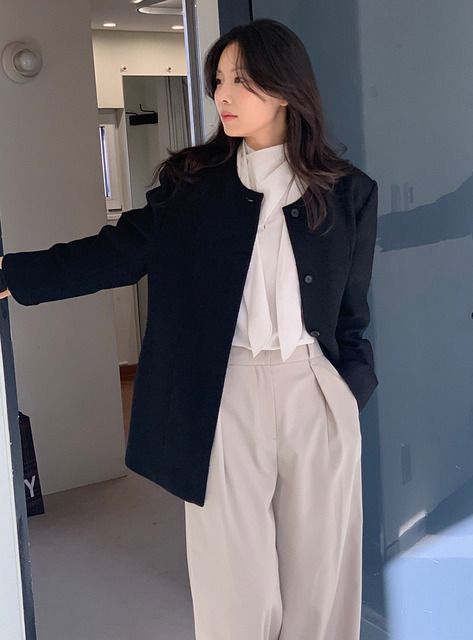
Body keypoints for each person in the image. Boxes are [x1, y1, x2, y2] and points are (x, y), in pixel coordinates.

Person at [0, 17, 378, 640]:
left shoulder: (347, 193)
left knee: (323, 572)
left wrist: (348, 391)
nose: (222, 95)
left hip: (314, 385)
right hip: (223, 389)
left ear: (286, 89)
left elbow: (352, 314)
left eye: (241, 80)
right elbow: (119, 251)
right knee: (232, 575)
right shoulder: (193, 186)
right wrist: (16, 273)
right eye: (218, 81)